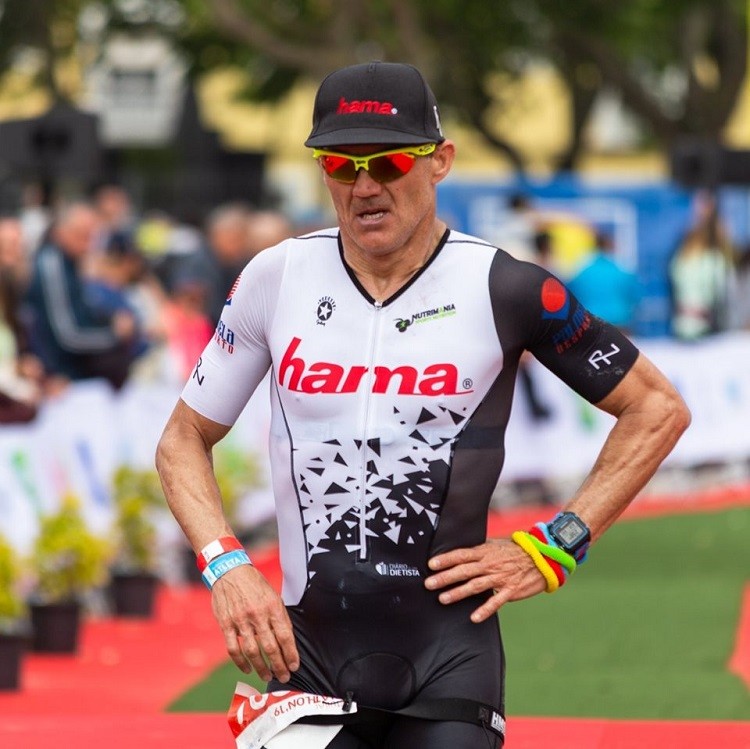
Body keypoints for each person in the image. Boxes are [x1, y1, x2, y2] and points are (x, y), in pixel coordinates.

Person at [156, 62, 690, 748]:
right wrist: (226, 565)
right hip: (305, 657)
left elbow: (656, 408)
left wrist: (558, 544)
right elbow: (182, 438)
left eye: (389, 162)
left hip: (448, 661)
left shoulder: (505, 286)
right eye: (341, 165)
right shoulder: (275, 276)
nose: (365, 186)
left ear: (440, 161)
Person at [24, 202, 139, 390]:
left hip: (74, 369)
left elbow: (84, 313)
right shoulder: (52, 263)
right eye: (81, 235)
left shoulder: (71, 262)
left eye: (91, 236)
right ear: (61, 232)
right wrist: (114, 334)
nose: (87, 244)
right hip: (61, 374)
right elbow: (68, 334)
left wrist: (113, 321)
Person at [567, 231, 639, 334]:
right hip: (618, 324)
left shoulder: (581, 273)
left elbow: (569, 297)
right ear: (611, 246)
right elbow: (636, 296)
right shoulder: (622, 272)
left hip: (590, 325)